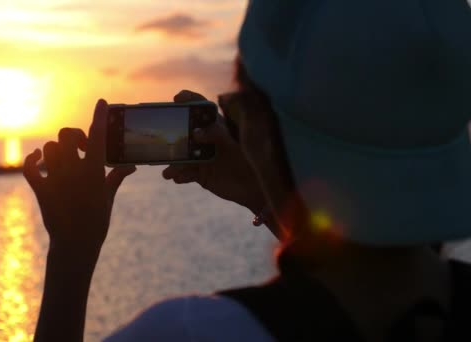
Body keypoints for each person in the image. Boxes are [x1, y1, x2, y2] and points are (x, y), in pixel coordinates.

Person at [23, 0, 471, 341]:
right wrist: (260, 189)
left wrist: (72, 254)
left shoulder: (192, 332)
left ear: (255, 127)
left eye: (236, 106)